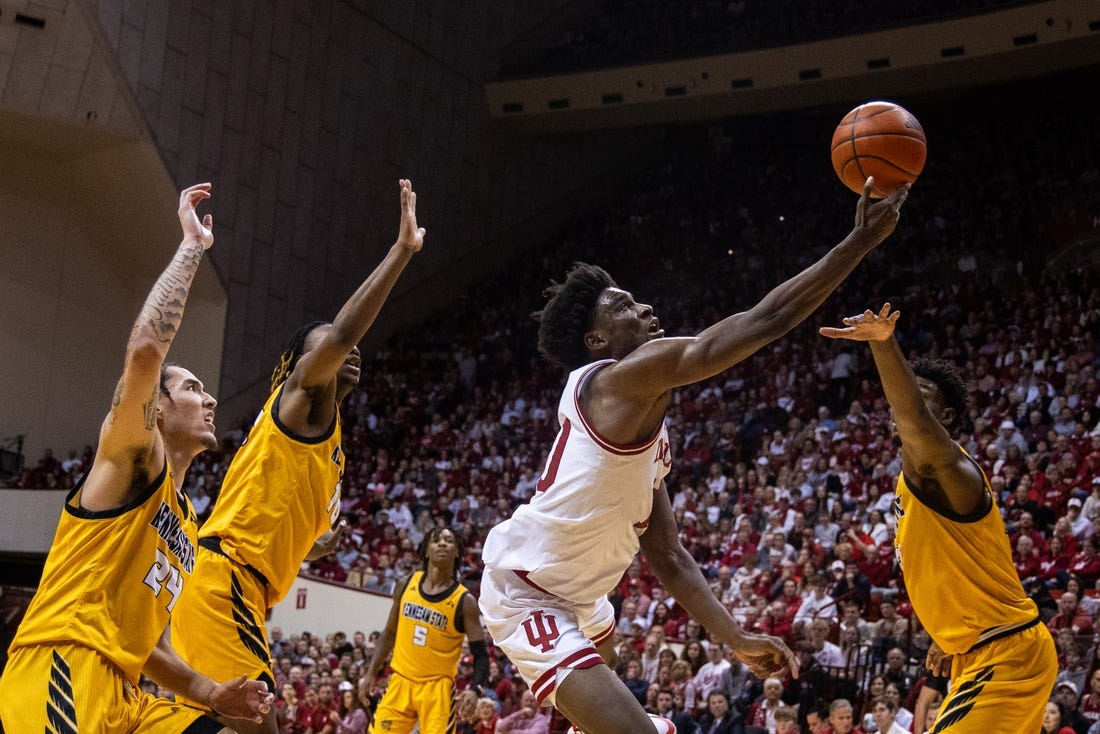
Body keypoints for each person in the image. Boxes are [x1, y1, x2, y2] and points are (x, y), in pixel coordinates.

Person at [480, 178, 908, 733]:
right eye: (625, 307)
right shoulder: (615, 382)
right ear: (595, 342)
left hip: (581, 598)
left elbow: (668, 554)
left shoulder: (648, 429)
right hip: (527, 589)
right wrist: (859, 242)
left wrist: (735, 637)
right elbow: (762, 322)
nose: (645, 306)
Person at [0, 184, 273, 731]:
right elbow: (147, 352)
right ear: (160, 407)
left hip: (126, 695)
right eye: (194, 388)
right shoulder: (131, 461)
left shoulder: (187, 522)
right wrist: (192, 246)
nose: (211, 398)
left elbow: (151, 649)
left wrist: (212, 693)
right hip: (63, 665)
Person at [171, 179, 426, 730]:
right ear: (300, 366)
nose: (346, 348)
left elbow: (274, 522)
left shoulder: (322, 436)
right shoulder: (297, 400)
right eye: (331, 345)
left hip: (238, 586)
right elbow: (340, 338)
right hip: (225, 584)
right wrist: (400, 252)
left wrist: (312, 545)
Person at [819, 303, 1059, 732]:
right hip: (983, 650)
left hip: (1005, 655)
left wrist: (883, 344)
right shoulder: (915, 478)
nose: (902, 402)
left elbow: (912, 417)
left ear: (945, 418)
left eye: (917, 394)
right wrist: (947, 635)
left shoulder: (952, 471)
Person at [362, 526, 488, 733]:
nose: (442, 544)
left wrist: (475, 690)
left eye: (449, 541)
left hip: (437, 689)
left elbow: (481, 654)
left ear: (457, 552)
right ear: (426, 550)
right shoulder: (405, 584)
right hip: (400, 681)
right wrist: (370, 673)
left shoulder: (465, 601)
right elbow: (389, 633)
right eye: (435, 540)